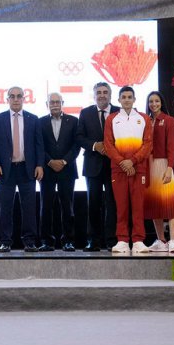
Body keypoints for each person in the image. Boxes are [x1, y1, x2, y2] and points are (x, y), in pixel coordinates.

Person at [0, 86, 44, 252]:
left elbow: (39, 145)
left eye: (19, 96)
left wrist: (40, 165)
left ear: (23, 99)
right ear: (7, 99)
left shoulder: (33, 119)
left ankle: (29, 241)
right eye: (12, 96)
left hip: (27, 169)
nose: (15, 99)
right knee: (5, 208)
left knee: (29, 207)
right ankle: (5, 241)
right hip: (5, 170)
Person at [105, 87, 152, 253]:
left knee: (138, 206)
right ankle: (122, 240)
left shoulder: (144, 118)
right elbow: (108, 144)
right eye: (123, 97)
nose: (126, 100)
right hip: (118, 170)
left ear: (134, 99)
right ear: (118, 100)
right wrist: (122, 162)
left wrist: (132, 161)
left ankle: (138, 240)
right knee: (121, 206)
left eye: (129, 97)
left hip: (138, 168)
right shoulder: (112, 119)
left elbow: (148, 144)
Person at [77, 82, 120, 251]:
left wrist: (111, 148)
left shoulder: (119, 112)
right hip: (92, 165)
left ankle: (112, 240)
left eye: (105, 92)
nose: (102, 95)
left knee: (112, 204)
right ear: (94, 95)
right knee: (93, 204)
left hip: (114, 165)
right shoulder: (85, 113)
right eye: (99, 92)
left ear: (110, 95)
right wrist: (95, 145)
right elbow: (79, 137)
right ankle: (93, 241)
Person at [38, 92, 79, 252]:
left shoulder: (73, 121)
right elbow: (38, 145)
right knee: (46, 207)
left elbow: (76, 145)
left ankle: (68, 241)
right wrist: (49, 161)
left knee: (67, 207)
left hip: (67, 169)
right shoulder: (39, 122)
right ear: (46, 104)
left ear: (62, 103)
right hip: (47, 170)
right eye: (52, 102)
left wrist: (63, 161)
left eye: (57, 101)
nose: (55, 104)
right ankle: (46, 241)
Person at [143, 91, 174, 253]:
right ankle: (161, 240)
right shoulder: (145, 121)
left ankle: (173, 240)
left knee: (169, 203)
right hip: (148, 165)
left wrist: (169, 168)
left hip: (163, 163)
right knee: (154, 204)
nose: (154, 104)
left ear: (161, 102)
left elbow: (172, 147)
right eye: (151, 101)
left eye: (156, 101)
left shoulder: (169, 120)